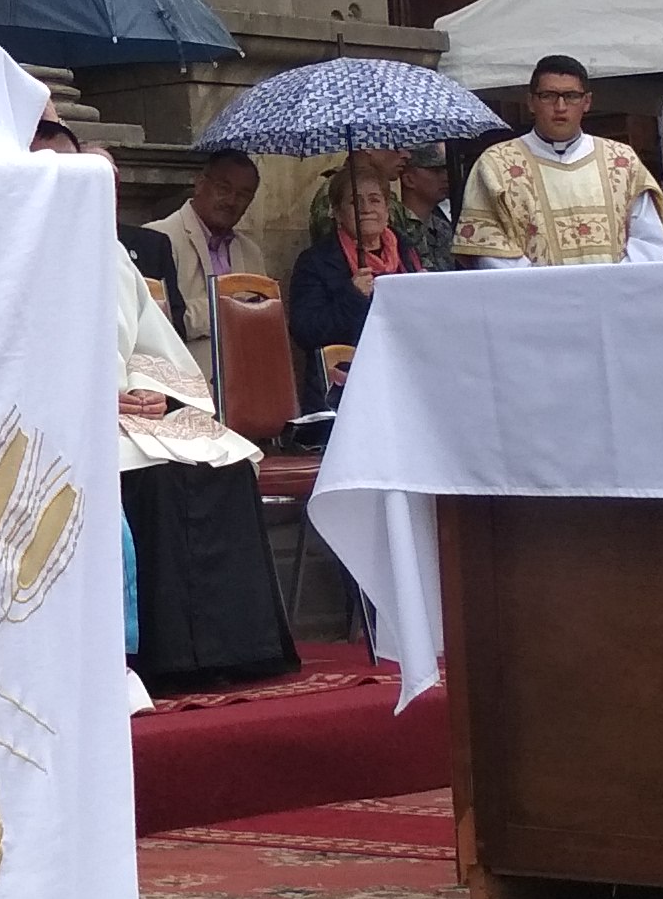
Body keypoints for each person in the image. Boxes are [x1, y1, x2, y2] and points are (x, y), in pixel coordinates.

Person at [44, 123, 292, 691]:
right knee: (153, 479)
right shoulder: (6, 249)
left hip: (133, 411)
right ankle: (167, 657)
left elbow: (149, 342)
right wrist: (94, 398)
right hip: (67, 419)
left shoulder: (108, 252)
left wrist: (155, 390)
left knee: (221, 464)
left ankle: (236, 651)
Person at [454, 57, 663, 267]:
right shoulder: (497, 164)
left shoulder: (622, 161)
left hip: (616, 294)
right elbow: (491, 244)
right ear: (531, 102)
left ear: (587, 102)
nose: (560, 106)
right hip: (535, 297)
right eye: (548, 96)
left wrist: (615, 283)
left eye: (571, 96)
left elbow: (648, 239)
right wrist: (548, 289)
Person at [286, 159, 414, 393]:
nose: (366, 208)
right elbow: (305, 331)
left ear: (387, 209)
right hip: (345, 385)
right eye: (355, 201)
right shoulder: (315, 262)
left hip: (403, 374)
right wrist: (353, 297)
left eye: (375, 200)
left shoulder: (407, 252)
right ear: (337, 212)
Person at [137, 150, 262, 364]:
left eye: (243, 195)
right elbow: (156, 322)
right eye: (224, 188)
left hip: (244, 380)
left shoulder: (251, 252)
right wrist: (227, 308)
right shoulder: (157, 238)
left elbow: (262, 325)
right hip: (184, 383)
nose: (232, 201)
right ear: (200, 184)